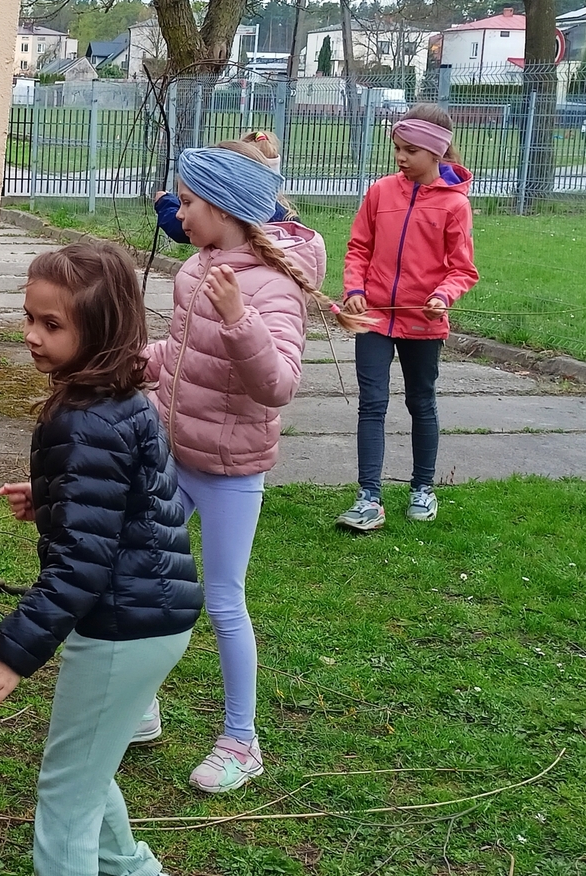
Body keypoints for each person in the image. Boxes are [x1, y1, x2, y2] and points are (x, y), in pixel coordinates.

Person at [0, 242, 200, 876]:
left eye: (52, 324)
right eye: (29, 317)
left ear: (99, 332)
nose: (31, 335)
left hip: (124, 622)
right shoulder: (117, 401)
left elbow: (80, 567)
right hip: (153, 612)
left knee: (67, 793)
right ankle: (132, 869)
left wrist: (11, 655)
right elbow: (125, 498)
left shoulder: (86, 420)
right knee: (88, 767)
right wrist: (54, 496)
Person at [142, 144, 368, 794]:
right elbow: (183, 352)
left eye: (189, 203)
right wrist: (139, 362)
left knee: (222, 600)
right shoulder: (198, 268)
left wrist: (239, 319)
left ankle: (242, 741)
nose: (179, 213)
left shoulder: (272, 288)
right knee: (144, 576)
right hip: (175, 450)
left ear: (224, 210)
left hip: (230, 469)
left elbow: (278, 386)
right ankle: (139, 704)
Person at [336, 104, 478, 532]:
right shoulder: (380, 192)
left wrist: (443, 295)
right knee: (372, 404)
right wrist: (355, 291)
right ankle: (368, 497)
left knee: (421, 402)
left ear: (436, 152)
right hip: (375, 318)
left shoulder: (455, 205)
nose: (400, 157)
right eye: (397, 148)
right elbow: (358, 248)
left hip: (423, 323)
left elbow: (463, 269)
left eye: (410, 150)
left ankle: (422, 489)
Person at [152, 131, 298, 244]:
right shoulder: (289, 219)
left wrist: (165, 203)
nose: (180, 214)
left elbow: (181, 228)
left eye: (187, 202)